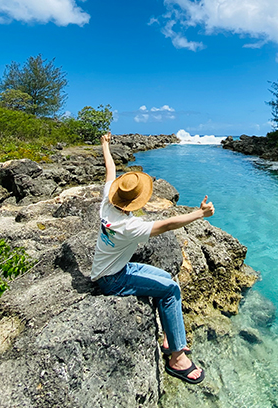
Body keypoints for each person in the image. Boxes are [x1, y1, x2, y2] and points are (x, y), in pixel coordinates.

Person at [91, 133, 214, 384]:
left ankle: (171, 337)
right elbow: (167, 224)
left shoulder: (107, 202)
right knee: (170, 290)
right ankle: (177, 359)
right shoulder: (128, 225)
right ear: (134, 202)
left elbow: (110, 169)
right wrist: (199, 214)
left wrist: (105, 144)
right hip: (112, 279)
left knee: (167, 279)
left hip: (112, 267)